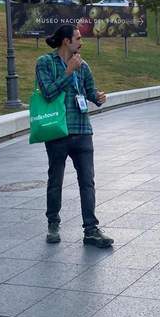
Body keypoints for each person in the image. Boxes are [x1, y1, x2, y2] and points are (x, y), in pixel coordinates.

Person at [35, 24, 113, 248]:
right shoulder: (45, 63)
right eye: (78, 38)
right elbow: (48, 93)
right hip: (57, 131)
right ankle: (53, 224)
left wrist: (98, 96)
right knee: (55, 181)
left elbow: (90, 92)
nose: (81, 42)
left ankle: (91, 231)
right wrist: (68, 72)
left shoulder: (83, 65)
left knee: (87, 182)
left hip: (82, 130)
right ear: (66, 41)